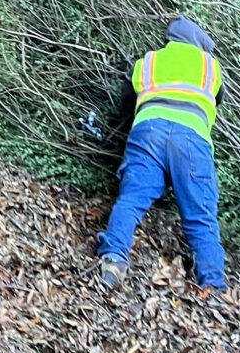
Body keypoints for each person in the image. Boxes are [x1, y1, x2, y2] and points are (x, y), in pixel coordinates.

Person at [95, 16, 227, 289]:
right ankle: (213, 289)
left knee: (132, 200)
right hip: (192, 137)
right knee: (201, 217)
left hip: (148, 130)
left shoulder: (149, 62)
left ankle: (114, 260)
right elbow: (217, 100)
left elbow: (127, 101)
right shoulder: (210, 67)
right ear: (196, 42)